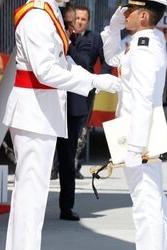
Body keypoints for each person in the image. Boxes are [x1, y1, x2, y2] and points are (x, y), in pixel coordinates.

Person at [2, 0, 121, 249]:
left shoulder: (50, 12)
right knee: (30, 195)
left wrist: (97, 80)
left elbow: (64, 63)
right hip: (34, 112)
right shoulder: (36, 16)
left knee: (33, 192)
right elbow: (45, 71)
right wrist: (91, 83)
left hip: (40, 111)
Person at [101, 0, 167, 249]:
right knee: (152, 200)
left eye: (130, 10)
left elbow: (142, 100)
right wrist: (112, 30)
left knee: (145, 205)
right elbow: (113, 58)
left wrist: (135, 147)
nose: (125, 13)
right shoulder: (145, 41)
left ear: (143, 15)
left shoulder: (144, 48)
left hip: (140, 135)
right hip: (141, 133)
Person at [54, 5, 93, 221]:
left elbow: (85, 63)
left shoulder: (85, 41)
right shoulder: (52, 39)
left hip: (72, 108)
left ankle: (66, 206)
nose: (75, 24)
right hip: (51, 104)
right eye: (72, 20)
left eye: (79, 20)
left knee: (68, 160)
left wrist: (69, 43)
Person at [73, 5, 112, 179]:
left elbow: (107, 60)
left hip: (85, 89)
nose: (79, 22)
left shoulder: (94, 38)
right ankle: (55, 167)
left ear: (88, 22)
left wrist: (100, 81)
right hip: (63, 88)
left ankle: (74, 165)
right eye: (77, 18)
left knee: (81, 129)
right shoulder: (64, 34)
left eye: (83, 19)